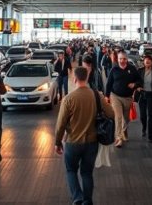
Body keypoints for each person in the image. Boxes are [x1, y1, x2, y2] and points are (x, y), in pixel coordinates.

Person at [54, 67, 114, 205]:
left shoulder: (68, 99)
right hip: (92, 142)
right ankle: (87, 201)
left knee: (71, 171)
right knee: (87, 173)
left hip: (72, 142)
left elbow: (60, 125)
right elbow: (111, 114)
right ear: (87, 78)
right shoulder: (96, 95)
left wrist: (57, 142)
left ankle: (77, 198)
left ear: (74, 79)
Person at [105, 50, 142, 148]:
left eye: (124, 59)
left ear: (127, 59)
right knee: (118, 117)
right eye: (120, 59)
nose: (122, 61)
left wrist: (135, 84)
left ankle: (124, 130)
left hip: (128, 98)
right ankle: (118, 138)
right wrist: (106, 96)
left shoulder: (132, 69)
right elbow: (109, 83)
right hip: (115, 96)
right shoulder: (114, 69)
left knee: (126, 119)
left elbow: (140, 81)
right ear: (117, 59)